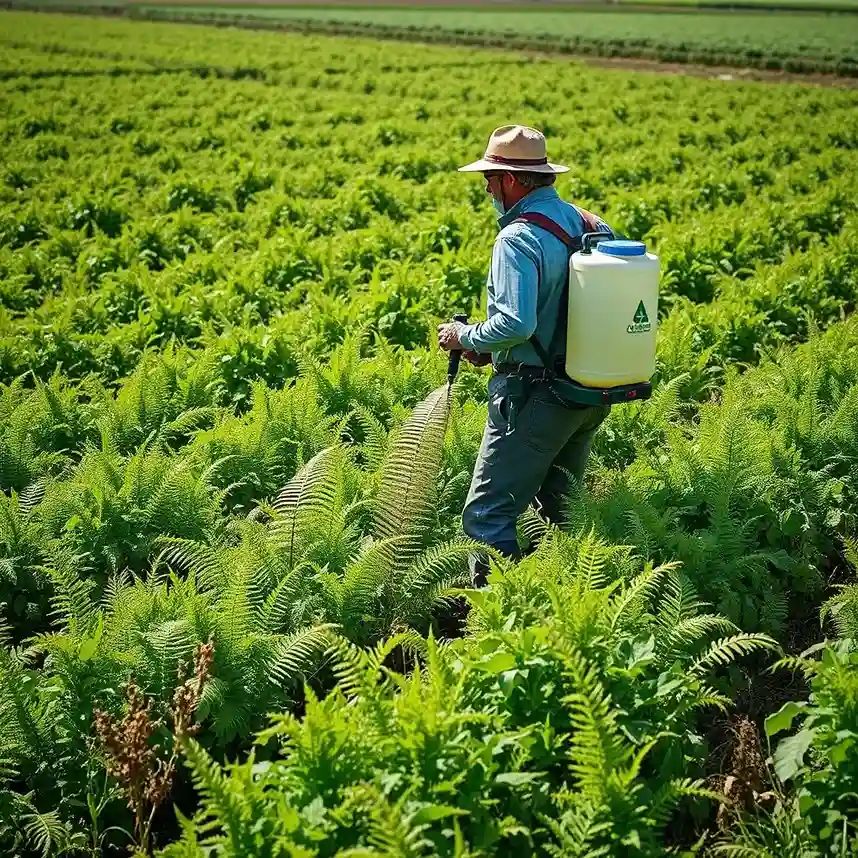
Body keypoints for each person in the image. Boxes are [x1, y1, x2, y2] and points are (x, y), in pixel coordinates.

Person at [437, 125, 614, 587]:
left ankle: (501, 618)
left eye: (489, 180)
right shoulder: (590, 224)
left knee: (486, 516)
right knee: (560, 512)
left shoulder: (517, 237)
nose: (487, 189)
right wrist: (486, 345)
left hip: (534, 398)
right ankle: (573, 601)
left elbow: (517, 324)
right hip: (588, 390)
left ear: (511, 179)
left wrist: (463, 335)